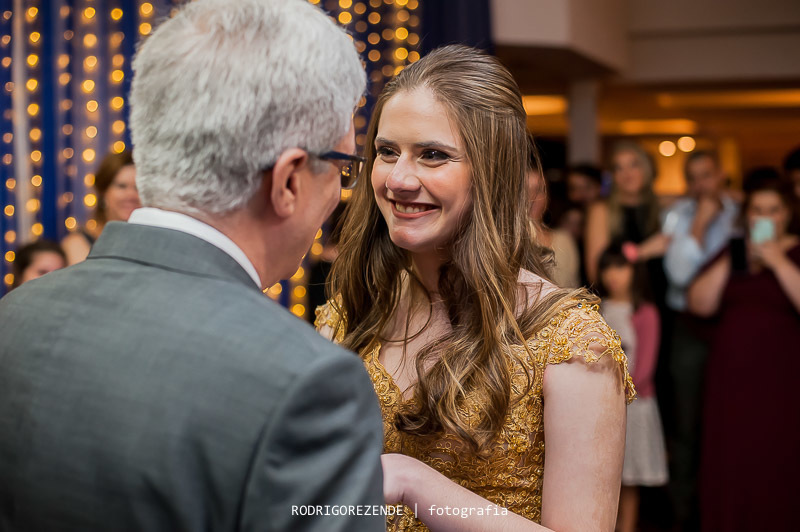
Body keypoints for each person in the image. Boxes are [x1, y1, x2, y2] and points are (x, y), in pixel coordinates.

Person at [0, 1, 384, 531]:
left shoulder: (14, 315)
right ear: (290, 180)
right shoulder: (307, 383)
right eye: (342, 165)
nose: (340, 193)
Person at [316, 45, 635, 531]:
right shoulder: (349, 315)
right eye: (386, 152)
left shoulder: (572, 343)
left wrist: (413, 483)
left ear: (492, 171)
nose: (399, 179)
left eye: (433, 155)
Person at [688, 170, 800, 531]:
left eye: (773, 210)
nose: (765, 218)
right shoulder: (733, 251)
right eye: (757, 210)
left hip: (784, 381)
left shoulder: (796, 250)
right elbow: (699, 304)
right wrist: (737, 257)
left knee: (778, 457)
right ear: (747, 216)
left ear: (787, 213)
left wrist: (776, 261)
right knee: (732, 456)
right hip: (731, 380)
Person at [661, 150, 738, 529]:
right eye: (693, 178)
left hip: (737, 327)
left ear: (721, 174)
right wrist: (699, 229)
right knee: (687, 422)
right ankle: (684, 515)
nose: (700, 185)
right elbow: (677, 274)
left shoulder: (743, 215)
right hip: (687, 328)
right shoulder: (678, 216)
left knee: (732, 420)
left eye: (706, 175)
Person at [597, 245, 668, 532]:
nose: (613, 275)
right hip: (600, 404)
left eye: (621, 267)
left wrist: (620, 390)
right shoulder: (596, 308)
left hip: (634, 406)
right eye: (607, 267)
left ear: (635, 271)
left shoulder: (646, 312)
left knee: (629, 476)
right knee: (605, 475)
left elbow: (646, 367)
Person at [584, 142, 670, 291]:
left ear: (646, 168)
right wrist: (642, 252)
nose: (627, 173)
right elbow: (595, 274)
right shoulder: (601, 210)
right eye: (619, 168)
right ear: (613, 175)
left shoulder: (660, 206)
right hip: (623, 305)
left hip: (660, 299)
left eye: (634, 165)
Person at [61, 150, 140, 265]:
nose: (131, 195)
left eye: (137, 188)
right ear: (103, 190)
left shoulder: (153, 241)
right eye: (121, 186)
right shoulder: (78, 244)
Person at [528, 164, 581, 288]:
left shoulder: (564, 240)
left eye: (539, 189)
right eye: (525, 190)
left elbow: (574, 291)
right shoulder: (507, 242)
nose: (533, 197)